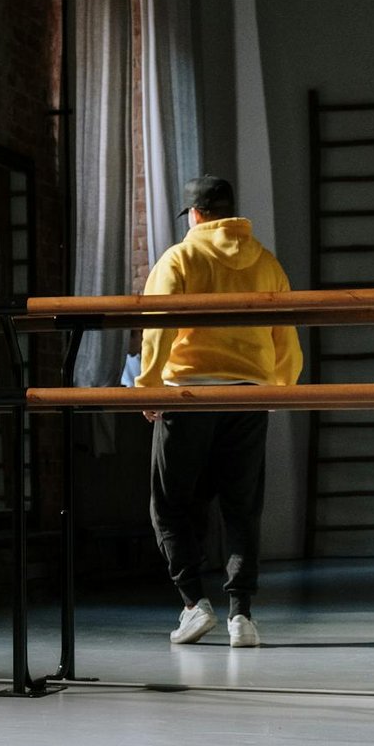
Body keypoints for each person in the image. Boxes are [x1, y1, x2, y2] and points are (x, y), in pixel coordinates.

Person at [136, 177, 302, 648]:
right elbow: (285, 332)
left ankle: (193, 604)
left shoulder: (181, 257)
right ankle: (241, 616)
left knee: (169, 503)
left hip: (188, 395)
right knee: (242, 506)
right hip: (248, 395)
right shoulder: (267, 263)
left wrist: (148, 387)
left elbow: (158, 324)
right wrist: (281, 386)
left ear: (195, 214)